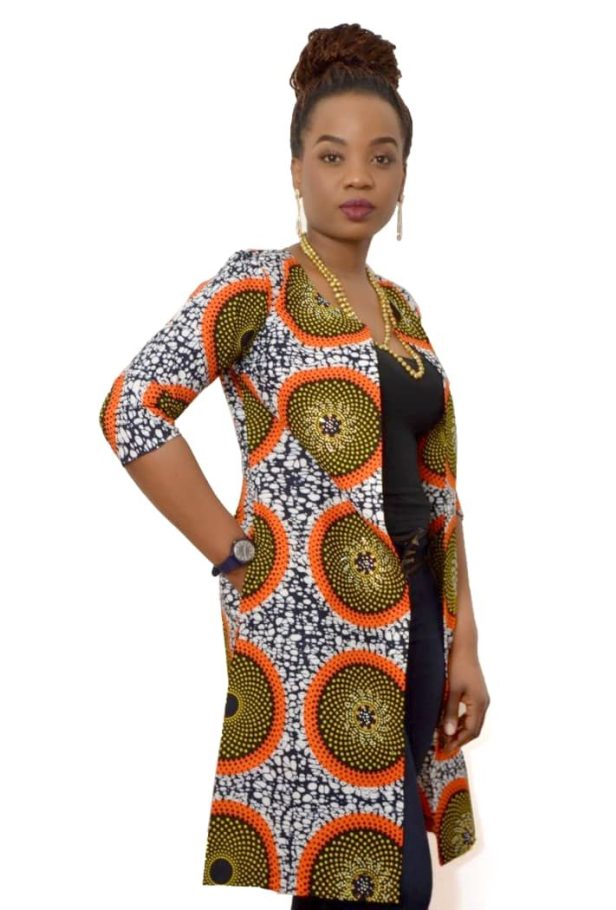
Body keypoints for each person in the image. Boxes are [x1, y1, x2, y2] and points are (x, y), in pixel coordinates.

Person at [99, 21, 490, 910]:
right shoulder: (259, 287)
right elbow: (132, 409)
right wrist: (234, 551)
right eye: (332, 155)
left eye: (382, 158)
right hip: (315, 625)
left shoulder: (403, 309)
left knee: (382, 873)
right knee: (361, 875)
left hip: (419, 609)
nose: (359, 177)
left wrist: (464, 639)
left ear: (404, 176)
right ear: (295, 169)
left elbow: (441, 492)